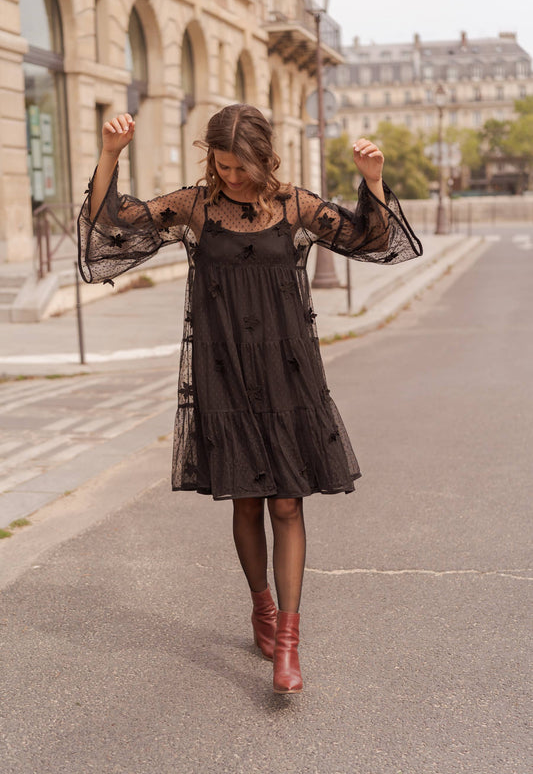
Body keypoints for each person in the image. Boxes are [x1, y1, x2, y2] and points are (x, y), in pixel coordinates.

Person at [78, 103, 422, 695]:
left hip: (289, 377)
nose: (232, 177)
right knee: (246, 502)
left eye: (242, 168)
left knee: (287, 504)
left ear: (265, 160)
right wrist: (110, 155)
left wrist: (372, 181)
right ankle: (261, 606)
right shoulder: (196, 207)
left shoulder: (294, 207)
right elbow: (114, 230)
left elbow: (373, 239)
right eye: (223, 165)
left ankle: (288, 642)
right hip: (224, 373)